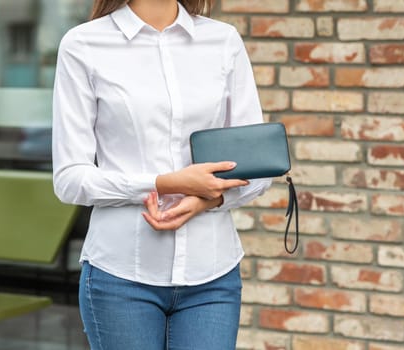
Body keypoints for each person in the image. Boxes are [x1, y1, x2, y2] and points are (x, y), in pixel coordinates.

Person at [52, 0, 271, 348]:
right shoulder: (83, 44)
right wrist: (164, 183)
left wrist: (206, 200)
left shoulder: (223, 41)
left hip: (212, 276)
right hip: (120, 276)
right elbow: (70, 179)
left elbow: (257, 164)